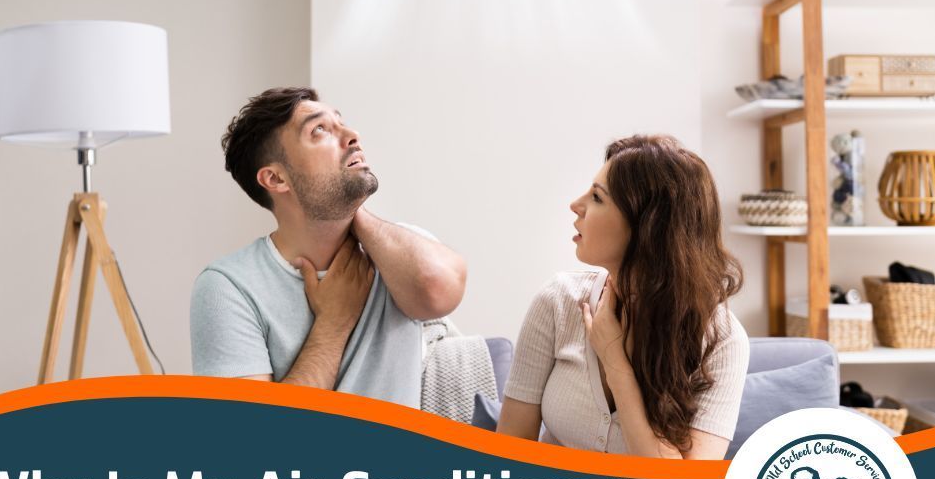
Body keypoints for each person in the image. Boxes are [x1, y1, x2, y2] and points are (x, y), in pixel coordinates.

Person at [190, 87, 467, 408]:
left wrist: (354, 213)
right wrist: (333, 324)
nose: (352, 135)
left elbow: (441, 291)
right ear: (276, 179)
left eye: (342, 122)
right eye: (319, 130)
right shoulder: (227, 287)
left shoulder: (397, 250)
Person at [496, 135, 748, 459]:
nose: (576, 204)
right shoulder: (558, 302)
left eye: (598, 197)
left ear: (648, 228)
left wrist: (616, 363)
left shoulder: (721, 340)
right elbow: (509, 451)